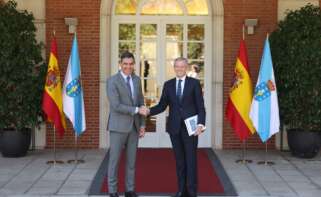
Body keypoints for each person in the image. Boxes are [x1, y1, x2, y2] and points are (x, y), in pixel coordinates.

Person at [141, 57, 206, 197]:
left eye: (182, 66)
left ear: (186, 67)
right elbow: (162, 105)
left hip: (191, 129)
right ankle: (181, 191)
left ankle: (192, 191)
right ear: (174, 67)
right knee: (180, 161)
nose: (179, 69)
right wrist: (148, 111)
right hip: (174, 128)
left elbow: (201, 106)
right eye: (177, 66)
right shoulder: (168, 85)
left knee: (191, 160)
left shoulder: (194, 84)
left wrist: (201, 124)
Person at [106, 51, 147, 197]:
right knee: (114, 161)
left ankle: (130, 190)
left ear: (134, 64)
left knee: (131, 162)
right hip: (118, 127)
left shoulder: (136, 80)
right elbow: (116, 105)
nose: (128, 67)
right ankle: (112, 191)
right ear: (120, 64)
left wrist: (142, 125)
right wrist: (136, 110)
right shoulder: (112, 81)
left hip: (134, 127)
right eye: (125, 64)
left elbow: (141, 102)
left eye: (130, 64)